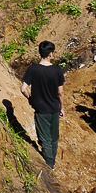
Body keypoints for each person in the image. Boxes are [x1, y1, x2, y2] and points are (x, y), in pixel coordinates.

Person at [21, 41, 65, 169]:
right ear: (50, 54)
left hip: (41, 109)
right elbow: (60, 92)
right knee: (54, 137)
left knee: (45, 138)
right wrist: (62, 107)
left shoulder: (33, 69)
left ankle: (49, 164)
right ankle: (51, 162)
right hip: (54, 108)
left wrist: (31, 98)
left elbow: (23, 88)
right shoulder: (57, 70)